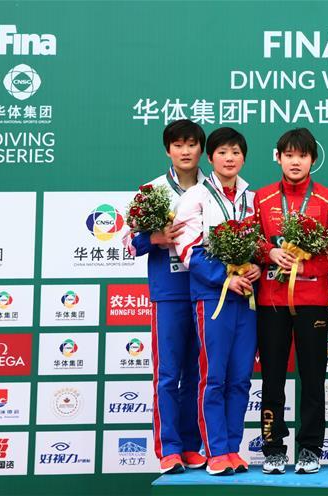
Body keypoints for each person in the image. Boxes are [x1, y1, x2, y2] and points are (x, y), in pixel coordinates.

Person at [252, 128, 328, 474]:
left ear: (312, 159)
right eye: (289, 155)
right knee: (272, 377)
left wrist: (307, 266)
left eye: (302, 155)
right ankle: (273, 448)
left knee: (313, 377)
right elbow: (251, 238)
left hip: (312, 300)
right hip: (271, 300)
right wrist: (269, 252)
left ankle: (311, 449)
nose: (295, 161)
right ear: (278, 157)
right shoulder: (262, 198)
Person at [122, 119, 207, 474]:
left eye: (191, 144)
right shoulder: (151, 190)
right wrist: (153, 239)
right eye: (178, 145)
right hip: (169, 292)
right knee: (169, 373)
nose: (185, 151)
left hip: (206, 291)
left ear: (201, 149)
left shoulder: (213, 189)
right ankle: (169, 449)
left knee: (198, 372)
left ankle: (190, 444)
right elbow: (128, 243)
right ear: (167, 150)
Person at [174, 127, 259, 475]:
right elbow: (188, 250)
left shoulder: (252, 198)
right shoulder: (195, 197)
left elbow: (260, 244)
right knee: (214, 377)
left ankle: (233, 449)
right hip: (213, 296)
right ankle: (215, 451)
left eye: (236, 152)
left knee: (240, 378)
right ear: (210, 158)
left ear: (244, 158)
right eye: (222, 152)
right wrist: (225, 277)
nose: (229, 158)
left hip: (247, 297)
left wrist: (257, 264)